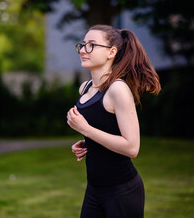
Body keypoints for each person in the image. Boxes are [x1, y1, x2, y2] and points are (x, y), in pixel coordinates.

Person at [66, 24, 161, 218]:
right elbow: (106, 128)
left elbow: (132, 148)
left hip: (122, 192)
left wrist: (87, 130)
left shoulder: (118, 90)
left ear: (111, 52)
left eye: (92, 45)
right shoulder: (85, 88)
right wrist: (88, 143)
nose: (83, 50)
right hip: (94, 189)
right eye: (83, 44)